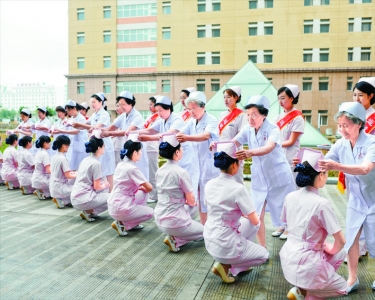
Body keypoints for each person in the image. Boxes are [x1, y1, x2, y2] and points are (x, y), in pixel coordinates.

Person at [318, 102, 375, 292]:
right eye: (340, 125)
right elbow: (326, 160)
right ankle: (352, 278)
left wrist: (336, 167)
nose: (342, 130)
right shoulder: (341, 143)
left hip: (374, 200)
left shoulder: (371, 143)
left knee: (374, 241)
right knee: (351, 240)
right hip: (356, 200)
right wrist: (306, 161)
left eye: (346, 125)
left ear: (359, 123)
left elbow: (365, 169)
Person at [281, 148, 347, 300]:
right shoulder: (322, 204)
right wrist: (328, 248)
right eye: (325, 172)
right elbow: (341, 241)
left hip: (289, 257)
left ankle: (307, 287)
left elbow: (286, 222)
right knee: (343, 287)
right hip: (307, 262)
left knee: (338, 253)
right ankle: (305, 292)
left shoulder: (290, 196)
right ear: (320, 176)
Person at [232, 95, 295, 248]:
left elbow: (269, 147)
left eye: (254, 114)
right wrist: (218, 145)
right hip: (259, 179)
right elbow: (234, 141)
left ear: (264, 114)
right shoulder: (248, 128)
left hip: (278, 179)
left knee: (288, 217)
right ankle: (262, 248)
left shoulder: (273, 128)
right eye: (248, 114)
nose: (250, 118)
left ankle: (295, 249)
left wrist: (250, 153)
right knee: (256, 214)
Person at [204, 142, 269, 283]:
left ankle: (232, 262)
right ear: (234, 165)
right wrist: (244, 214)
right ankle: (229, 265)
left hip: (210, 239)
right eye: (239, 163)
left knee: (248, 223)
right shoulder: (238, 188)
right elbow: (256, 220)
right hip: (226, 243)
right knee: (263, 254)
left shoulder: (209, 184)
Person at [176, 91, 220, 225]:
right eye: (189, 109)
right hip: (196, 165)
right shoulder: (192, 121)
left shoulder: (211, 119)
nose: (191, 112)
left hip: (209, 166)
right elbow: (181, 133)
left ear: (203, 106)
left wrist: (187, 138)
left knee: (211, 199)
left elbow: (206, 136)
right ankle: (204, 228)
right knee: (200, 199)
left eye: (194, 108)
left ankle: (214, 227)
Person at [154, 134, 203, 252]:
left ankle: (176, 235)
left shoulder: (160, 171)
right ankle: (177, 240)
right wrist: (187, 201)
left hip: (159, 218)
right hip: (174, 221)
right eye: (181, 149)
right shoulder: (181, 172)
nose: (182, 151)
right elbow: (191, 201)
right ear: (176, 153)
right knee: (205, 233)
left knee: (190, 208)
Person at [273, 84, 305, 240]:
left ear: (292, 98)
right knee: (280, 193)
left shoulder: (298, 117)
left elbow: (291, 141)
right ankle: (282, 223)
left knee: (292, 193)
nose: (280, 101)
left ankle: (291, 227)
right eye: (279, 98)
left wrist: (273, 145)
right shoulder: (277, 118)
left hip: (291, 159)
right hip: (278, 159)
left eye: (283, 98)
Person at [108, 139, 154, 236]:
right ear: (135, 152)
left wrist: (140, 188)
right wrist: (143, 187)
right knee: (150, 213)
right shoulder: (132, 168)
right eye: (140, 151)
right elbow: (150, 188)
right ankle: (123, 223)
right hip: (122, 207)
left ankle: (132, 223)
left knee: (143, 192)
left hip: (113, 203)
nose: (141, 153)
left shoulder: (120, 164)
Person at [101, 91, 149, 181]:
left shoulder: (137, 116)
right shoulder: (123, 116)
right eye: (120, 104)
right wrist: (98, 130)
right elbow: (111, 128)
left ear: (130, 103)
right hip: (128, 149)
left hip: (136, 150)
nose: (121, 107)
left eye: (123, 104)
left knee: (139, 175)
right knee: (128, 175)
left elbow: (128, 131)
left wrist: (110, 133)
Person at [72, 93, 115, 191]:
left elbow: (96, 127)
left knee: (108, 171)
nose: (92, 104)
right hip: (98, 146)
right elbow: (85, 124)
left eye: (94, 102)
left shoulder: (104, 114)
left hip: (105, 145)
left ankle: (111, 193)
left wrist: (79, 124)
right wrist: (72, 124)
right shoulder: (94, 114)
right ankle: (102, 192)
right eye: (91, 102)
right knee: (100, 169)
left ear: (101, 102)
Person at [71, 137, 110, 222]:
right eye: (103, 146)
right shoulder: (96, 163)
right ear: (99, 148)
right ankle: (89, 211)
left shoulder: (85, 160)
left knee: (105, 189)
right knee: (112, 197)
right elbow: (97, 187)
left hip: (75, 196)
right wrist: (105, 184)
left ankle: (89, 211)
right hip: (83, 198)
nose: (104, 148)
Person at [215, 86, 247, 184]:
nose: (226, 99)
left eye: (228, 97)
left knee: (236, 181)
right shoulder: (222, 115)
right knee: (223, 180)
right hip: (222, 151)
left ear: (236, 97)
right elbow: (219, 134)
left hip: (235, 153)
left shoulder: (242, 115)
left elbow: (242, 135)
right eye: (224, 97)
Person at [53, 100, 89, 170]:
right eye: (67, 111)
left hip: (80, 146)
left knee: (80, 167)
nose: (68, 112)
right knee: (72, 167)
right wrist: (57, 131)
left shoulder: (81, 118)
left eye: (69, 110)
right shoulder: (72, 119)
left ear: (74, 109)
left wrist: (60, 130)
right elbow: (66, 129)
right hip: (72, 146)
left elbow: (76, 131)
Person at [50, 135, 77, 209]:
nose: (68, 147)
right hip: (60, 187)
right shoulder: (63, 159)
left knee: (73, 182)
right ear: (63, 145)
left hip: (53, 185)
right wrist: (78, 174)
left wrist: (74, 173)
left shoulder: (54, 157)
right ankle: (61, 198)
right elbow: (68, 175)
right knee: (80, 190)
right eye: (68, 145)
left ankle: (64, 200)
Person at [143, 95, 160, 202]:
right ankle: (152, 194)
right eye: (148, 105)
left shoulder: (158, 117)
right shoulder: (149, 116)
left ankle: (154, 195)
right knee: (149, 172)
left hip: (153, 147)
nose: (149, 107)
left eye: (151, 105)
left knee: (153, 172)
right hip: (147, 147)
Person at [31, 135, 52, 200]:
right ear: (45, 143)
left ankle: (42, 192)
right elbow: (48, 170)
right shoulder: (45, 154)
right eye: (49, 142)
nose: (50, 144)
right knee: (58, 184)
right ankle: (43, 193)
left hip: (36, 178)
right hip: (42, 179)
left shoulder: (38, 152)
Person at [112, 101, 127, 166]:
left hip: (122, 144)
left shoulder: (125, 118)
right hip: (116, 145)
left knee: (122, 163)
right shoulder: (117, 119)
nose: (116, 108)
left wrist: (110, 133)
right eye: (116, 106)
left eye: (118, 106)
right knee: (117, 163)